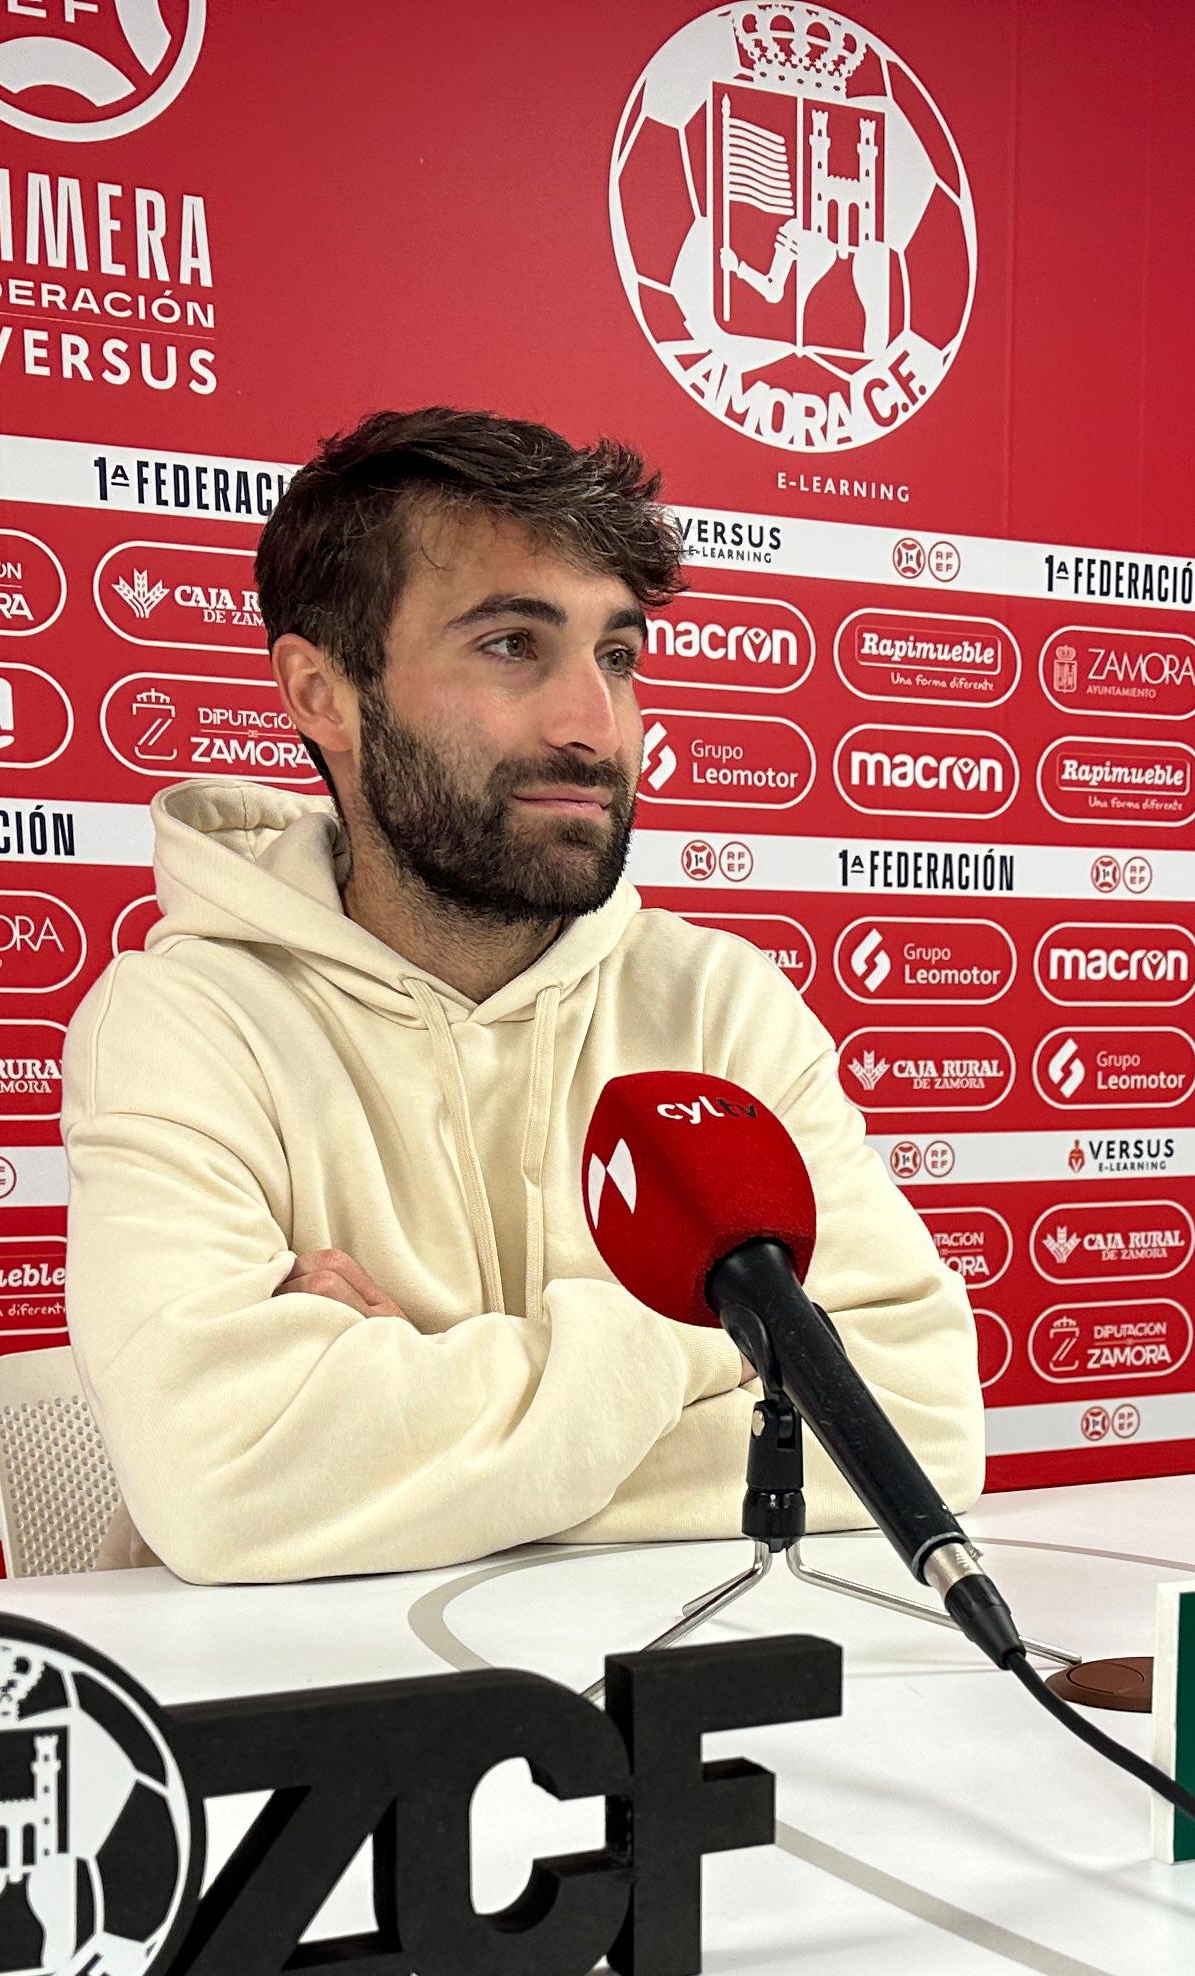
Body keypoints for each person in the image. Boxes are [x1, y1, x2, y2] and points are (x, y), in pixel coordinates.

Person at [61, 406, 982, 1583]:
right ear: (322, 691)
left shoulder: (720, 1006)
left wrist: (401, 1426)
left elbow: (923, 1426)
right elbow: (224, 1480)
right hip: (316, 1723)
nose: (593, 726)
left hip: (675, 1707)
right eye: (511, 645)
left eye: (618, 655)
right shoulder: (183, 1022)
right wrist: (740, 1356)